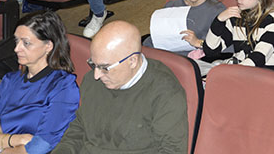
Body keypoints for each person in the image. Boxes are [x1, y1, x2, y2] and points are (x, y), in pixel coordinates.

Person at [54, 21, 187, 153]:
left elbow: (172, 150)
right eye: (93, 64)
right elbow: (79, 128)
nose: (96, 75)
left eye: (105, 67)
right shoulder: (92, 80)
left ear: (132, 61)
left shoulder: (165, 92)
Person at [0, 11, 79, 154]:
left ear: (48, 46)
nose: (17, 48)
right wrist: (14, 140)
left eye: (26, 43)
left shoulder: (63, 86)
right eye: (17, 41)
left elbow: (41, 146)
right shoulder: (10, 80)